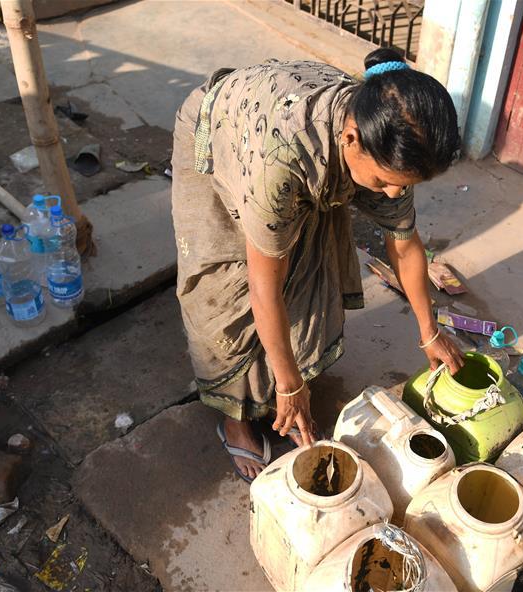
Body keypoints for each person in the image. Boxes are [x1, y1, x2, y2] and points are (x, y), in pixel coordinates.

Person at [171, 48, 464, 482]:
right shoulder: (283, 164)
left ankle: (283, 391)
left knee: (309, 266)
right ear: (350, 139)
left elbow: (404, 244)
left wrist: (429, 330)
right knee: (227, 290)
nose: (388, 195)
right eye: (382, 181)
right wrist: (290, 387)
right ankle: (236, 416)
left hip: (286, 140)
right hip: (227, 137)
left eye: (400, 185)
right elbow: (262, 286)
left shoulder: (391, 135)